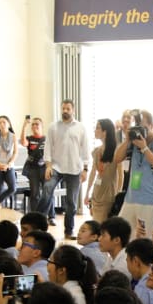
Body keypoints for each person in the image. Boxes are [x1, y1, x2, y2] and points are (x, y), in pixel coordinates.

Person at [115, 110, 153, 233]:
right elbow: (117, 159)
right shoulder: (134, 142)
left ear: (152, 126)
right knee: (121, 235)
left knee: (146, 238)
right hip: (130, 198)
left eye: (143, 127)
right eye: (137, 127)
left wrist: (144, 147)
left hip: (150, 200)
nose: (139, 131)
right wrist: (128, 140)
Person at [43, 99, 90, 239]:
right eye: (63, 108)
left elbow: (85, 149)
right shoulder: (53, 127)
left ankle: (68, 231)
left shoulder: (80, 127)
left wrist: (86, 169)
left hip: (75, 169)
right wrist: (48, 166)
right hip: (56, 167)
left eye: (68, 109)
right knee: (46, 190)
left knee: (71, 203)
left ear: (73, 110)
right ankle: (37, 223)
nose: (65, 111)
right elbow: (48, 147)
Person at [83, 118, 118, 223]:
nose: (95, 131)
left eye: (98, 128)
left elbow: (121, 175)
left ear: (105, 132)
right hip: (97, 190)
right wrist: (87, 193)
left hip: (109, 192)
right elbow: (93, 172)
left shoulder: (116, 150)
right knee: (96, 223)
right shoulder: (96, 151)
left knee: (105, 224)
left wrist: (118, 194)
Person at [19, 116, 53, 223]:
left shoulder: (47, 139)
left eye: (37, 124)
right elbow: (23, 142)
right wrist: (24, 125)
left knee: (48, 192)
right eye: (33, 124)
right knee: (34, 193)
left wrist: (50, 167)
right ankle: (35, 217)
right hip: (33, 169)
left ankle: (51, 216)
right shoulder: (29, 138)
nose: (34, 126)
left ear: (42, 126)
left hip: (45, 168)